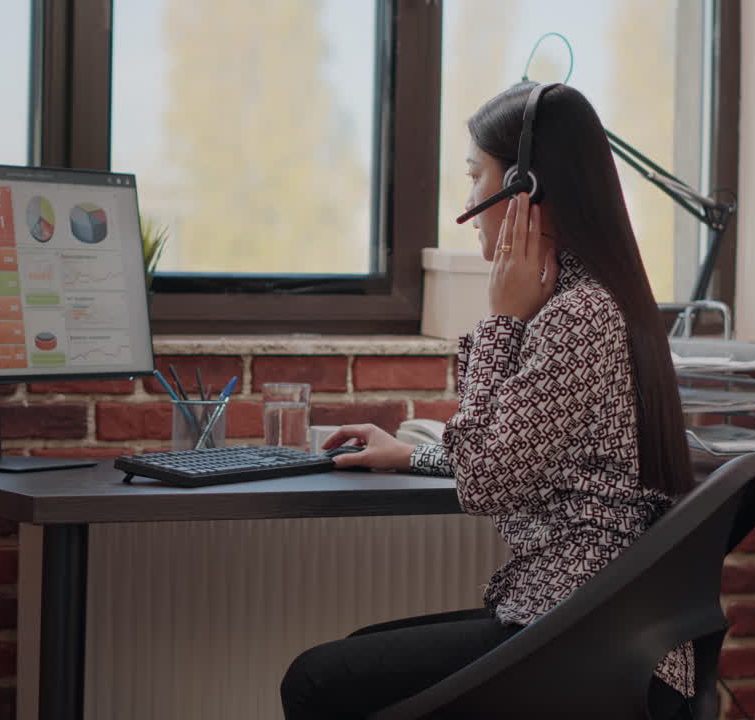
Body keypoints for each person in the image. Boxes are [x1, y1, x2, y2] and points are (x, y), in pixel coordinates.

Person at [280, 82, 696, 719]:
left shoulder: (577, 316)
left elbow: (485, 485)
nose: (469, 202)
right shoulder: (587, 300)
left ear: (524, 187)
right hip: (593, 625)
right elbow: (521, 454)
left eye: (476, 176)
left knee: (316, 681)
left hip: (583, 638)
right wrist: (411, 456)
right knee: (359, 655)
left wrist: (502, 320)